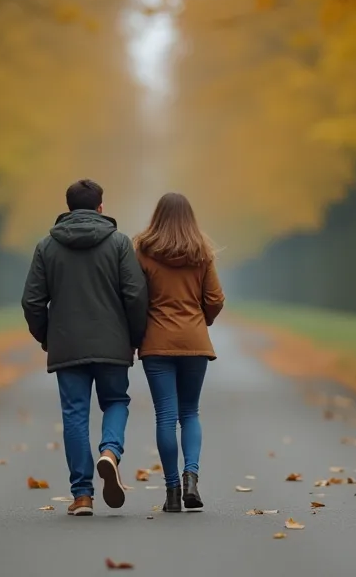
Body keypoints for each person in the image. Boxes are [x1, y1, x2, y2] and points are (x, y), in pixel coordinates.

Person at [21, 179, 149, 516]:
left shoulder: (47, 247)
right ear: (100, 208)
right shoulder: (120, 244)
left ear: (68, 208)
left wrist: (47, 336)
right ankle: (110, 451)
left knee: (75, 415)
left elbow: (32, 301)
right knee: (116, 401)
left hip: (67, 345)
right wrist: (135, 337)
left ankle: (82, 496)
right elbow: (135, 295)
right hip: (112, 342)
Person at [133, 192, 224, 513]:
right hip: (194, 342)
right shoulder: (202, 253)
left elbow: (134, 297)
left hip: (157, 344)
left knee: (166, 417)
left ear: (157, 216)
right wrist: (201, 321)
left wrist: (139, 328)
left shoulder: (143, 252)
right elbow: (214, 298)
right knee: (190, 413)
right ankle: (191, 477)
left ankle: (172, 491)